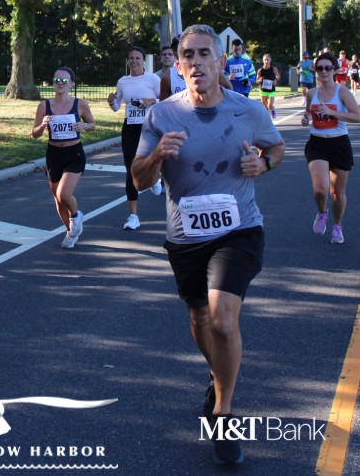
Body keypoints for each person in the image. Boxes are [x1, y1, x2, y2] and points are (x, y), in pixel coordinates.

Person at [131, 24, 285, 466]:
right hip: (185, 237)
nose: (196, 62)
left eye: (204, 54)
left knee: (222, 319)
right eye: (188, 55)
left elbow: (277, 149)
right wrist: (157, 154)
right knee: (200, 317)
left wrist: (263, 164)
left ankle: (223, 411)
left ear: (220, 62)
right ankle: (218, 377)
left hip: (239, 230)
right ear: (178, 67)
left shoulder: (248, 110)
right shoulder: (161, 116)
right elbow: (139, 180)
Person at [299, 52, 360, 245]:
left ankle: (337, 226)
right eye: (320, 68)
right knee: (320, 190)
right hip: (317, 143)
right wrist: (305, 119)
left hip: (339, 143)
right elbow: (308, 114)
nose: (324, 71)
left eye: (328, 68)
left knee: (337, 193)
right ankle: (322, 213)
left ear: (335, 70)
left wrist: (332, 112)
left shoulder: (342, 92)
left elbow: (357, 117)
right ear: (315, 71)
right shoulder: (312, 93)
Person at [31, 67, 96, 248]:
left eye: (64, 81)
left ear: (71, 84)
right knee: (58, 200)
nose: (60, 83)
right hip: (54, 155)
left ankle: (76, 216)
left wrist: (84, 126)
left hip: (74, 153)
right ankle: (71, 232)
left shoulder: (80, 104)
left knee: (63, 194)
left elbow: (92, 124)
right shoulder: (44, 106)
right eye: (57, 80)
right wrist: (42, 125)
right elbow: (34, 134)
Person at [108, 47, 161, 229]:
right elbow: (116, 106)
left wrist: (151, 101)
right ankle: (133, 216)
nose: (134, 61)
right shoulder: (123, 81)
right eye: (131, 58)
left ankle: (154, 178)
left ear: (143, 61)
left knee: (151, 160)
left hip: (149, 127)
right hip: (130, 127)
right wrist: (111, 101)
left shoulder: (153, 79)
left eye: (138, 58)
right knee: (131, 168)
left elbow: (165, 101)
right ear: (128, 61)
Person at [255, 53, 281, 118]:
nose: (266, 61)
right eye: (265, 60)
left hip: (271, 90)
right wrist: (260, 80)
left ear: (270, 60)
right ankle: (267, 118)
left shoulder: (273, 69)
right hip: (263, 90)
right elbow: (256, 81)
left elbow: (278, 76)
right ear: (263, 61)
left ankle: (272, 109)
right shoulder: (260, 70)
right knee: (264, 106)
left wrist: (275, 80)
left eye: (268, 60)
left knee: (269, 106)